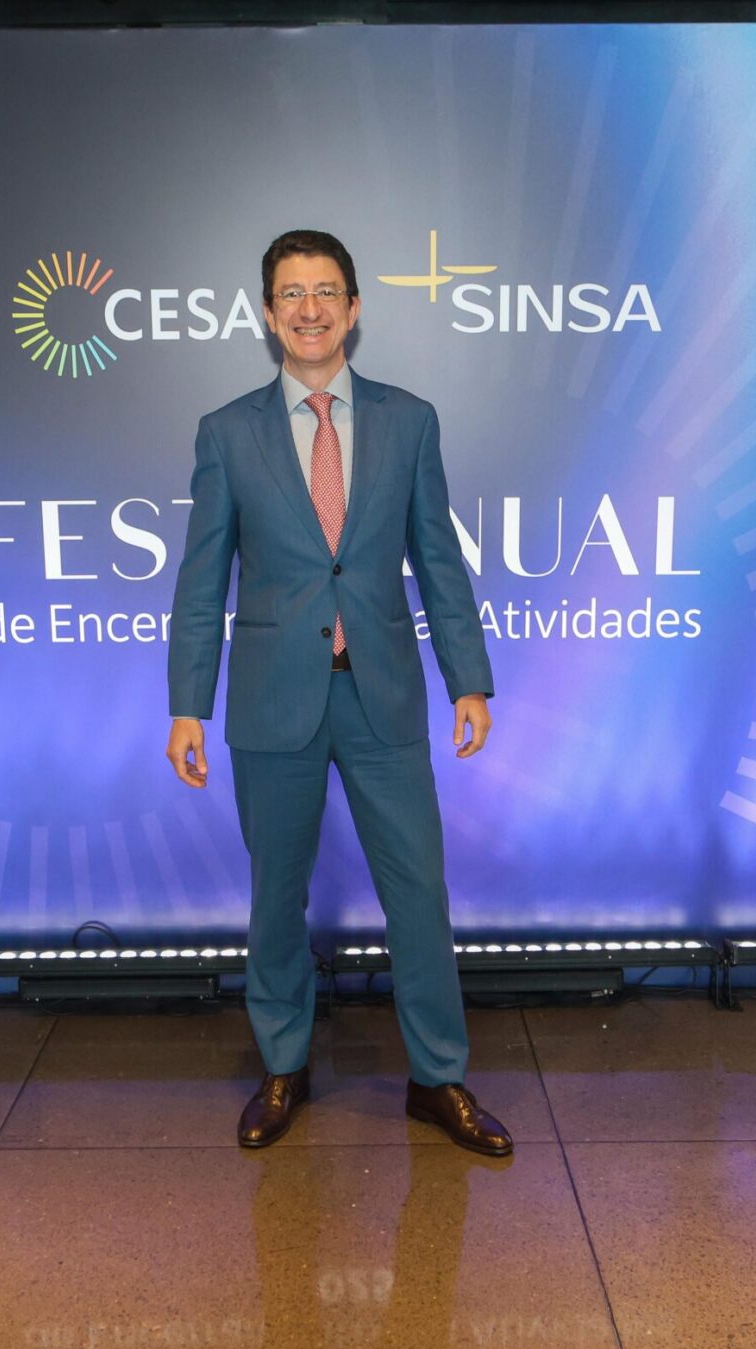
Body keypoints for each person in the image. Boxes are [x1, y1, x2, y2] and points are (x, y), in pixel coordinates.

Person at [165, 228, 510, 1156]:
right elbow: (201, 582)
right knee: (276, 898)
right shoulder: (226, 433)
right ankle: (284, 1066)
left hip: (381, 694)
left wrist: (469, 681)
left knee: (420, 893)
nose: (309, 309)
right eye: (291, 293)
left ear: (354, 309)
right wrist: (187, 705)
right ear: (267, 313)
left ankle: (438, 1078)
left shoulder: (410, 421)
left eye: (325, 291)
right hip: (272, 701)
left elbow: (439, 560)